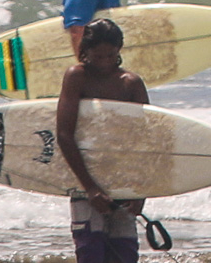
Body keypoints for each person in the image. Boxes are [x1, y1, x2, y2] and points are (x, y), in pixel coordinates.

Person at [56, 17, 150, 263]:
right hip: (84, 176)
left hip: (124, 179)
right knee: (90, 253)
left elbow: (144, 141)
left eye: (110, 56)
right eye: (98, 57)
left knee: (124, 254)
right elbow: (64, 134)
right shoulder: (77, 77)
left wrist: (141, 190)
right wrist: (90, 188)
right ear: (84, 52)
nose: (104, 63)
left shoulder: (131, 83)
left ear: (119, 50)